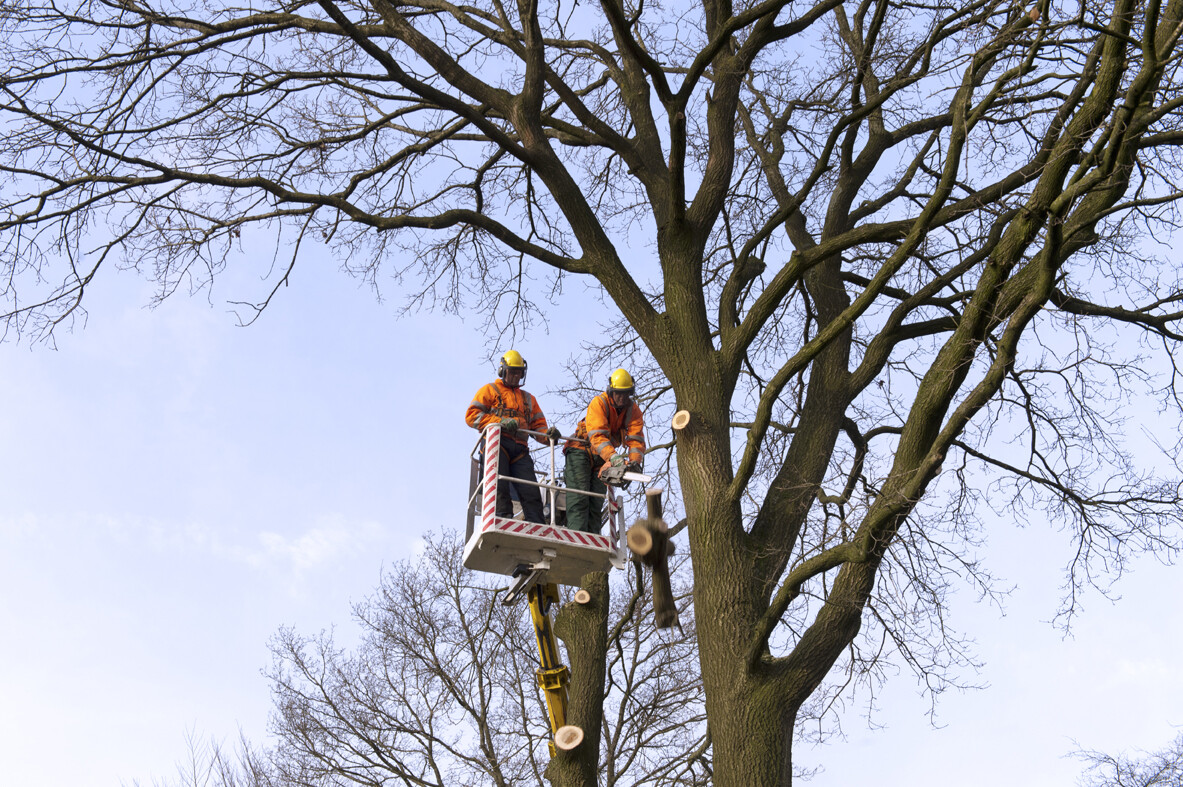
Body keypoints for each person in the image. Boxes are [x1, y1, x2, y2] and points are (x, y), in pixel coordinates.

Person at [466, 350, 561, 524]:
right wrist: (500, 422)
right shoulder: (490, 390)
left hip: (520, 450)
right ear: (503, 371)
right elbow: (472, 416)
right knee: (499, 487)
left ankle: (537, 525)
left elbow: (538, 426)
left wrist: (549, 436)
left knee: (530, 490)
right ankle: (502, 520)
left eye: (519, 373)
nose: (516, 376)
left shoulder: (528, 399)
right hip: (497, 445)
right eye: (513, 372)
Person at [563, 368, 646, 533]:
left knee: (597, 502)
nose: (622, 398)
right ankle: (577, 537)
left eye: (625, 393)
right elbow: (597, 436)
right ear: (611, 391)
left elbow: (636, 439)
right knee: (579, 498)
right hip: (581, 450)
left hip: (603, 458)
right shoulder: (599, 403)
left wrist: (635, 462)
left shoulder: (633, 411)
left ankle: (592, 540)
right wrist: (614, 457)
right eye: (618, 394)